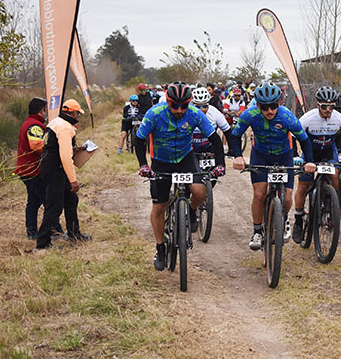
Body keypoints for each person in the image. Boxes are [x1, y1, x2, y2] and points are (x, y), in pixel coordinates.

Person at [135, 82, 226, 270]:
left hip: (185, 158)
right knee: (159, 206)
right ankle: (160, 247)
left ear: (188, 103)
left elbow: (215, 139)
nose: (179, 110)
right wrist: (143, 165)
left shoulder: (195, 114)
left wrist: (221, 165)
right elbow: (139, 139)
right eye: (174, 105)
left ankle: (191, 210)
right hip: (161, 160)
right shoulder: (155, 114)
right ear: (167, 102)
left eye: (183, 105)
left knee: (200, 191)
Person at [230, 83, 316, 249]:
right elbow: (235, 136)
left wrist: (310, 161)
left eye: (273, 106)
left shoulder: (287, 116)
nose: (269, 111)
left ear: (279, 103)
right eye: (264, 107)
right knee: (259, 193)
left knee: (288, 197)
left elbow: (304, 139)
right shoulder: (250, 114)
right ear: (257, 105)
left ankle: (283, 219)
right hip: (260, 155)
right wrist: (238, 156)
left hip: (284, 155)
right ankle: (257, 231)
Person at [293, 86, 341, 243]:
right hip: (310, 154)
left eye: (331, 106)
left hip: (329, 152)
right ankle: (298, 219)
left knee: (335, 175)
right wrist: (295, 156)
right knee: (303, 185)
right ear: (318, 105)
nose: (328, 110)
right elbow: (292, 135)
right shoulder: (308, 118)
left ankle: (330, 203)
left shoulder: (339, 118)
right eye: (324, 106)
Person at [36, 99, 92, 249]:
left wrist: (75, 149)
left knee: (71, 200)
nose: (78, 117)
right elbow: (65, 157)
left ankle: (75, 234)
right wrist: (73, 180)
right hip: (56, 170)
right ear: (72, 113)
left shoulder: (55, 122)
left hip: (49, 167)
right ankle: (43, 243)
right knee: (54, 207)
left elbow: (51, 146)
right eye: (78, 114)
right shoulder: (66, 128)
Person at [14, 97, 62, 239]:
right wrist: (53, 153)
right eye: (46, 110)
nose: (47, 113)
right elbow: (36, 145)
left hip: (26, 169)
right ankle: (52, 231)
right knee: (49, 202)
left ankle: (32, 232)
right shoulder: (34, 125)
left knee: (33, 202)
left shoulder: (30, 123)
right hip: (31, 171)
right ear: (42, 111)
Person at [191, 87, 233, 156]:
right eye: (198, 107)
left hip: (211, 148)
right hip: (193, 149)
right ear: (192, 104)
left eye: (204, 106)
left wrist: (232, 148)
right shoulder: (187, 113)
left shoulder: (214, 112)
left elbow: (227, 131)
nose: (201, 110)